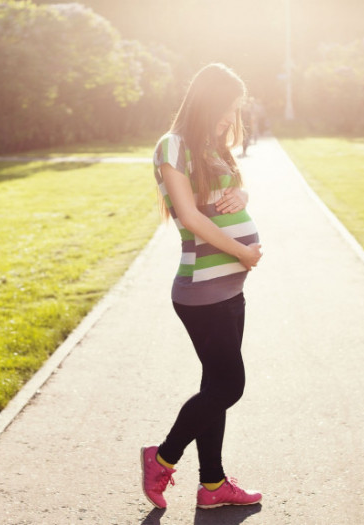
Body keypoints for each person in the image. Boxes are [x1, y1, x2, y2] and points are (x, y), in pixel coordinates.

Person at [141, 63, 264, 511]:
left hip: (230, 289)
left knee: (215, 385)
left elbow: (233, 189)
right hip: (202, 291)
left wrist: (244, 196)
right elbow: (190, 216)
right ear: (207, 101)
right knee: (229, 386)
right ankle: (163, 456)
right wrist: (243, 251)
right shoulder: (171, 146)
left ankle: (212, 487)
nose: (230, 119)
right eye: (225, 109)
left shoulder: (212, 146)